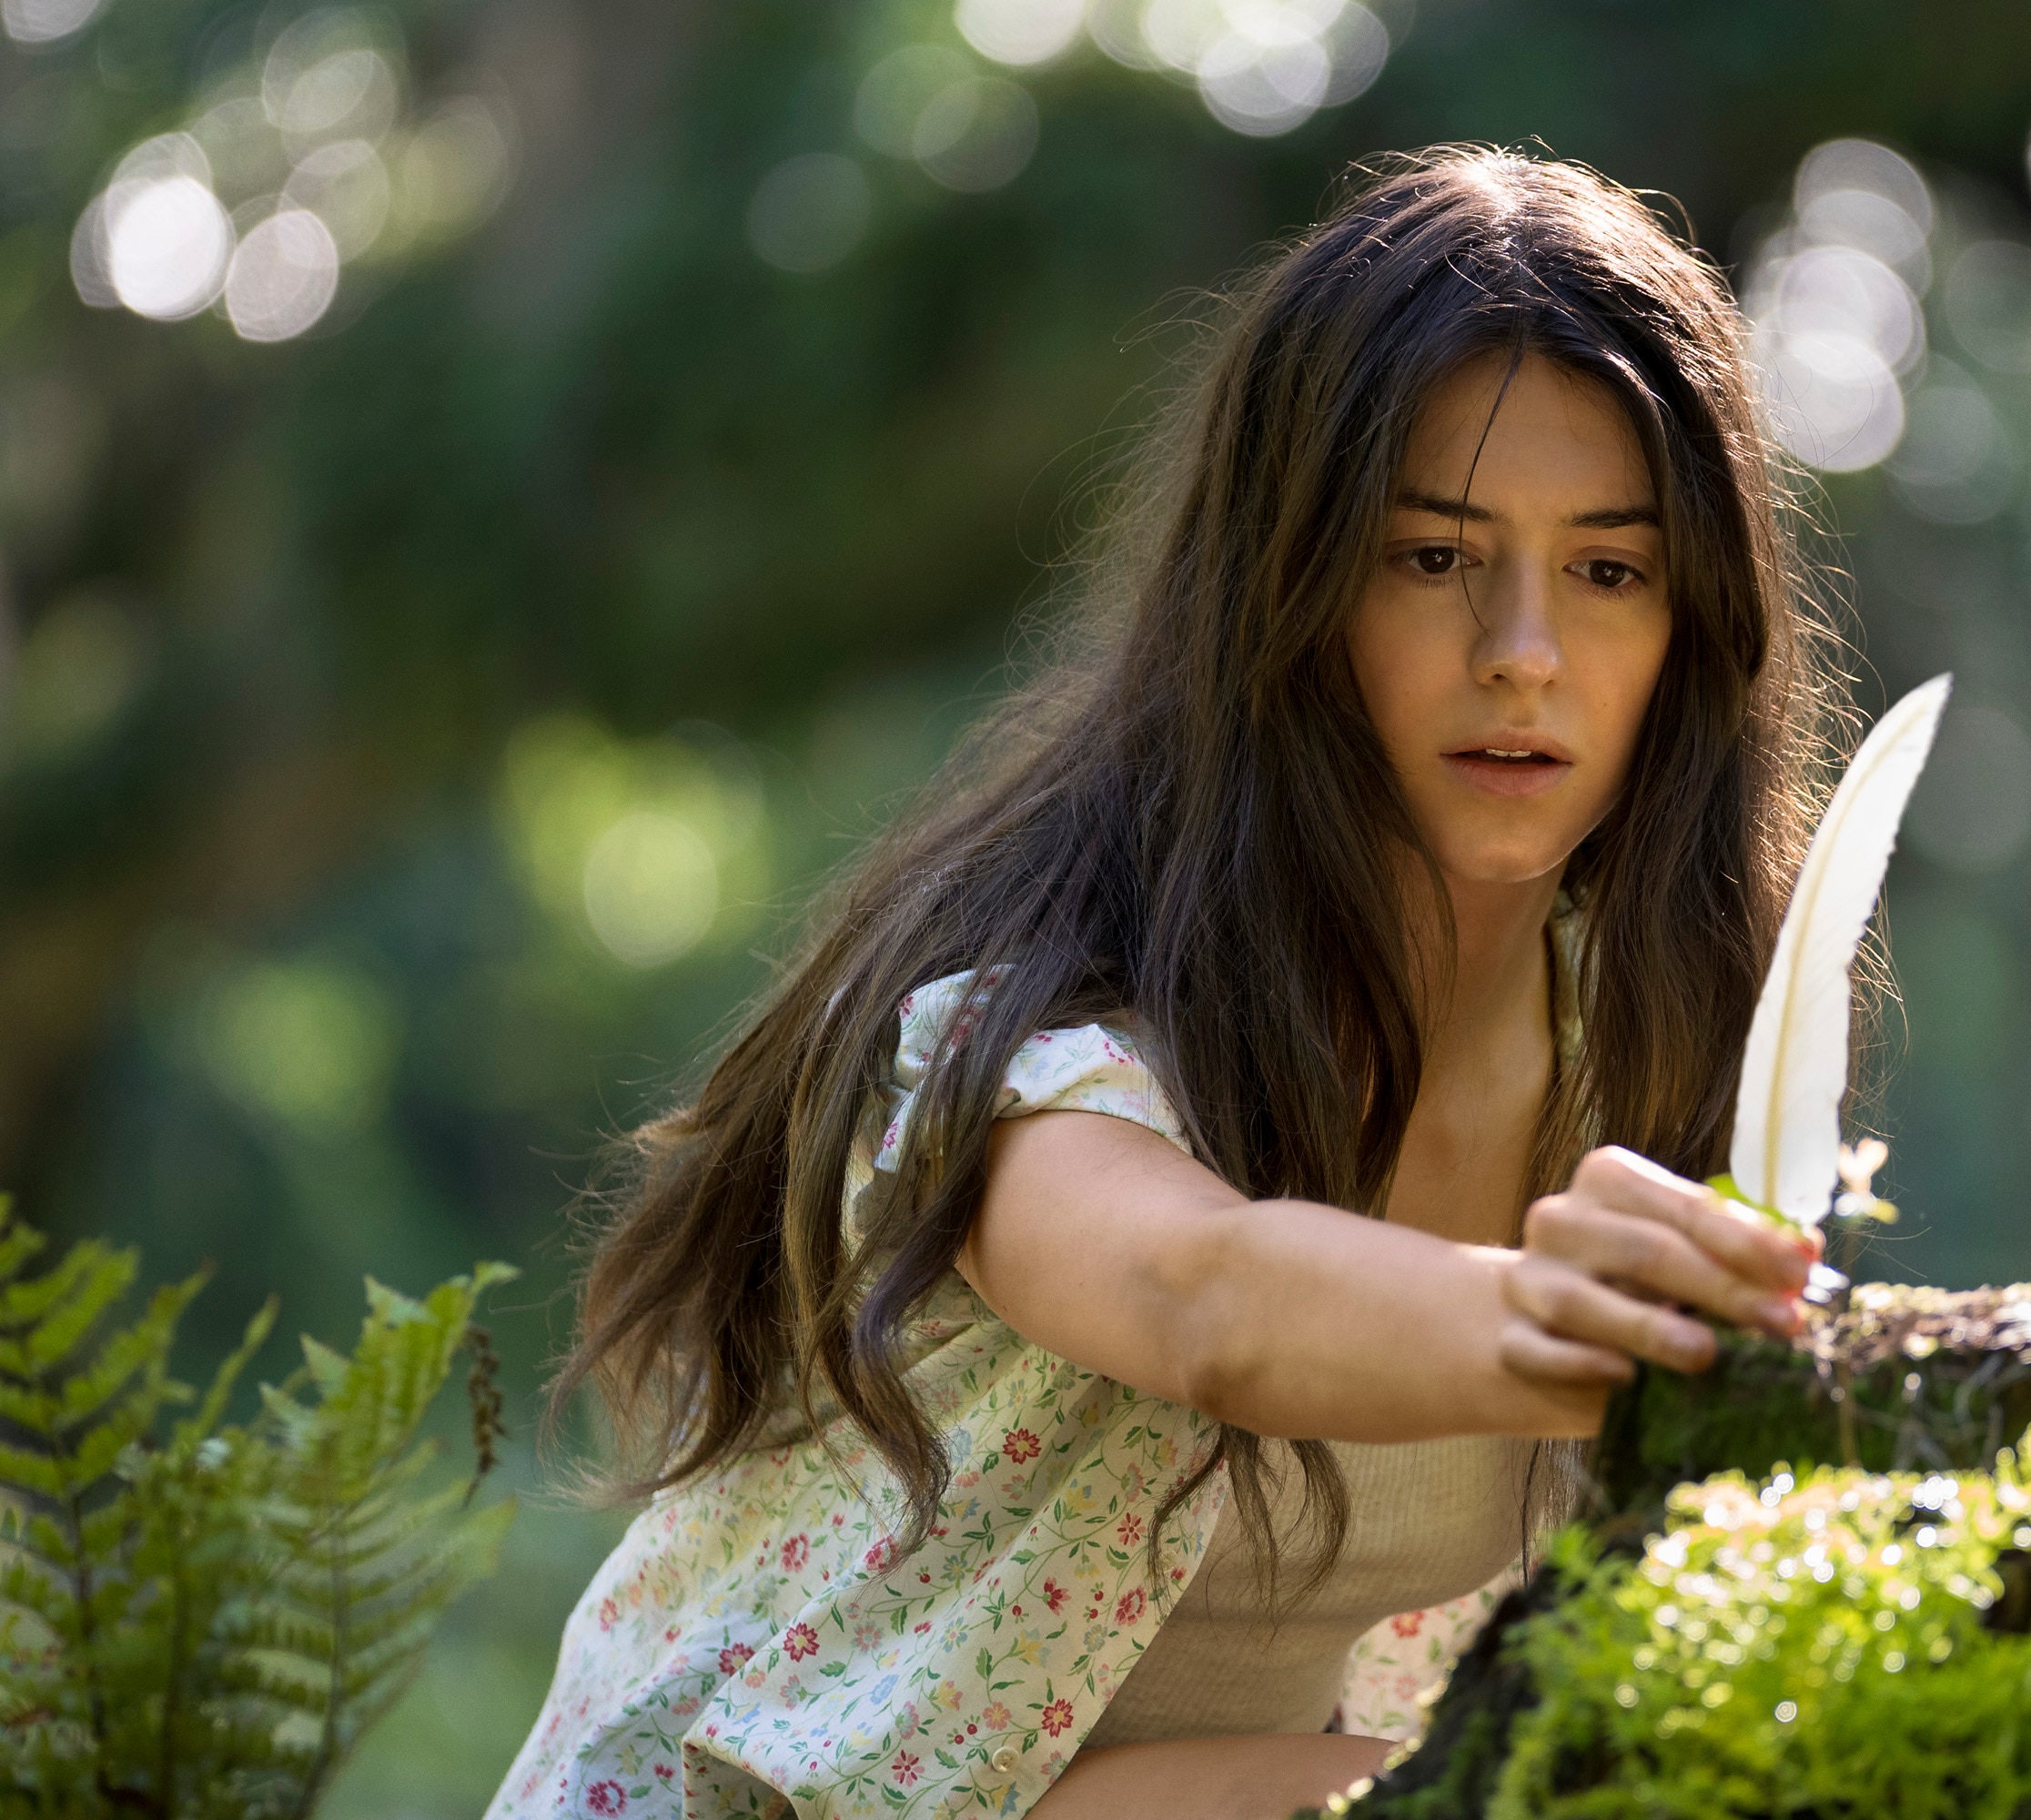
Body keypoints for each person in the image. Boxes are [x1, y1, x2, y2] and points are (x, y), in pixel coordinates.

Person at [491, 145, 1848, 1820]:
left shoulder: (1631, 1060)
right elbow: (1201, 1298)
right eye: (1432, 558)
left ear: (1692, 631)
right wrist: (1550, 1324)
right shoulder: (1044, 1033)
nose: (1524, 650)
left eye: (1608, 571)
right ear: (1289, 588)